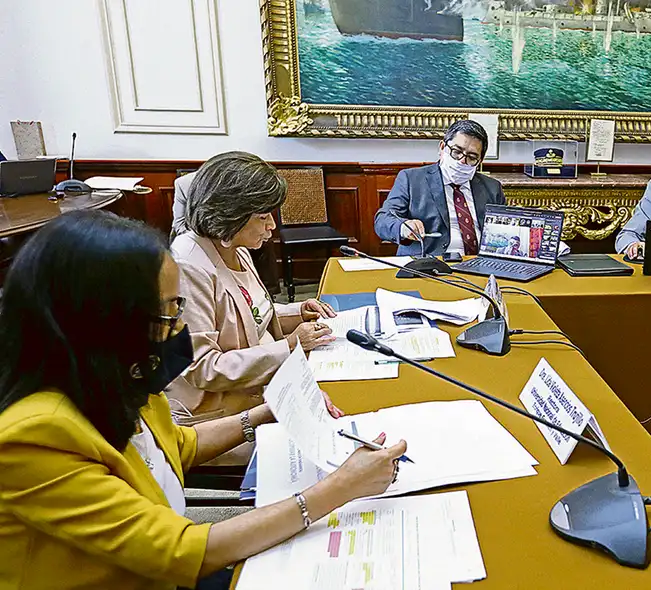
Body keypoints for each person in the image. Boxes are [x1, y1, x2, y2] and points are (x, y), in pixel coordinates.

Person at [0, 210, 406, 589]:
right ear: (99, 322)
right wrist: (339, 488)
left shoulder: (117, 381)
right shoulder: (36, 436)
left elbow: (176, 446)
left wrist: (264, 414)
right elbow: (182, 550)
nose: (180, 329)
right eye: (168, 315)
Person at [170, 152, 340, 429]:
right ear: (230, 216)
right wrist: (289, 345)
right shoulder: (187, 266)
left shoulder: (233, 243)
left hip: (262, 386)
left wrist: (298, 311)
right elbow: (202, 368)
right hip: (221, 416)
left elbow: (250, 316)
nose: (272, 226)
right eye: (263, 217)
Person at [374, 119, 505, 257]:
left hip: (480, 264)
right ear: (442, 147)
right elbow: (383, 220)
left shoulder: (492, 188)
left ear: (480, 161)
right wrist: (403, 227)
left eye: (471, 157)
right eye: (456, 151)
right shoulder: (411, 179)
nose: (461, 161)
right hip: (428, 263)